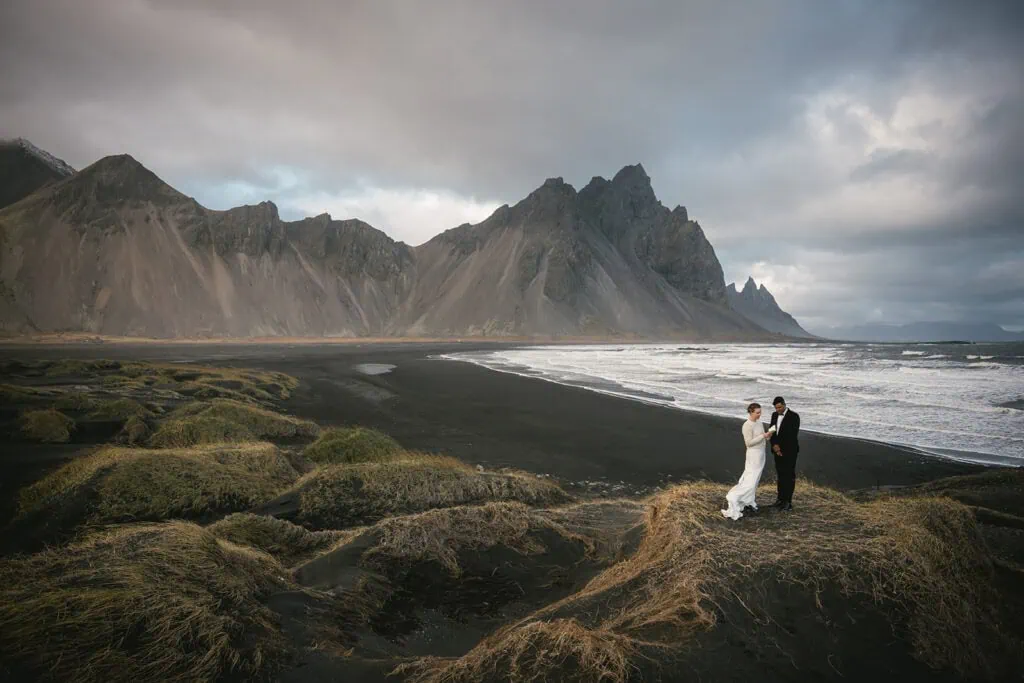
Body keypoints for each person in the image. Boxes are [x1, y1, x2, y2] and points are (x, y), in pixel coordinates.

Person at [721, 402, 772, 520]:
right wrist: (763, 436)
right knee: (750, 478)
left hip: (761, 454)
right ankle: (735, 497)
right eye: (757, 412)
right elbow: (748, 443)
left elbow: (761, 437)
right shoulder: (747, 425)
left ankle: (749, 500)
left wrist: (768, 436)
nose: (759, 415)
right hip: (753, 455)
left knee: (756, 478)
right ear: (751, 412)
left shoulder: (759, 423)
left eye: (760, 412)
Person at [767, 396, 801, 511]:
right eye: (776, 408)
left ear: (784, 404)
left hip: (789, 451)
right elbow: (771, 430)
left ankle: (788, 502)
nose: (778, 410)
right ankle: (780, 499)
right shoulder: (774, 415)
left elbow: (791, 435)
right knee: (780, 475)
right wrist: (774, 445)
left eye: (780, 407)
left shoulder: (794, 416)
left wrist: (781, 449)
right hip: (777, 450)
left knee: (789, 476)